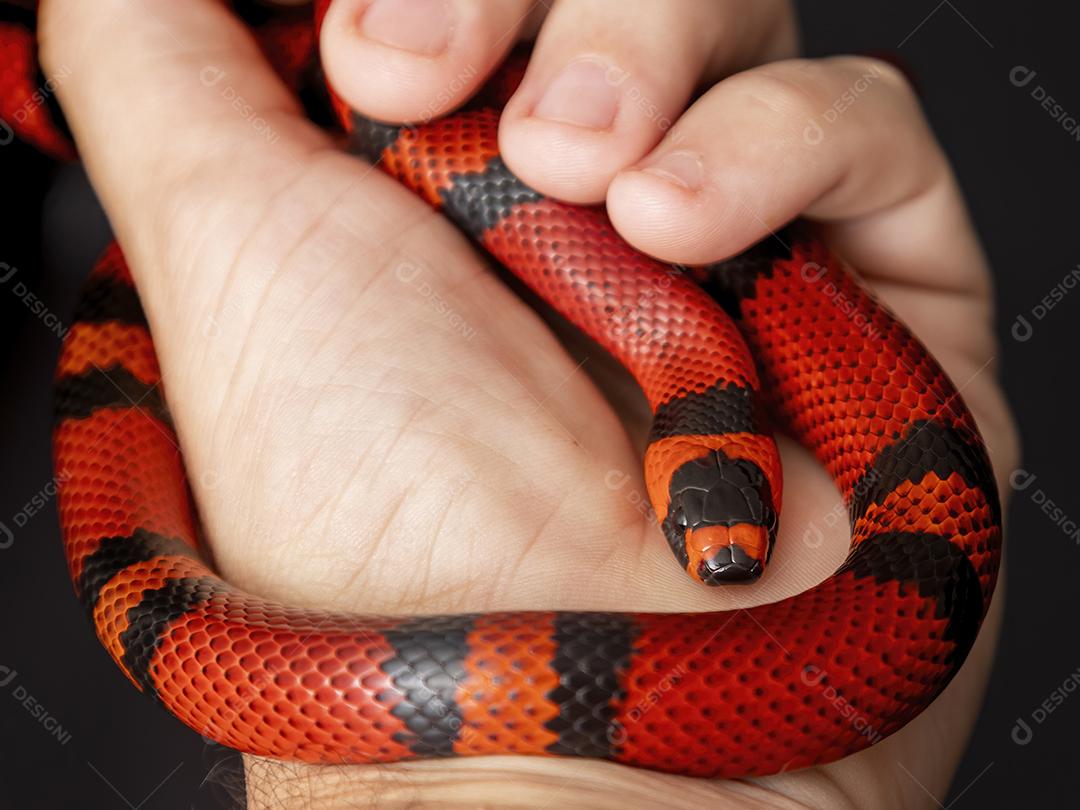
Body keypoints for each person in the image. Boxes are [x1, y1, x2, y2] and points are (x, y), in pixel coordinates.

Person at [38, 0, 1017, 806]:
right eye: (711, 519)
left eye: (726, 523)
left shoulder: (714, 354)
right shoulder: (695, 345)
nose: (721, 554)